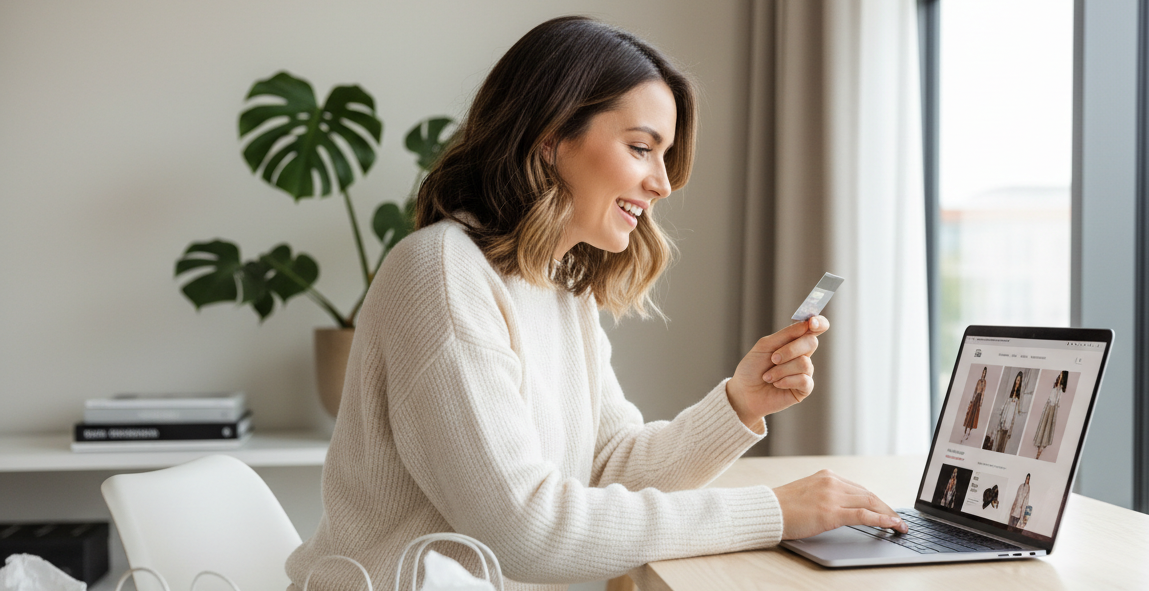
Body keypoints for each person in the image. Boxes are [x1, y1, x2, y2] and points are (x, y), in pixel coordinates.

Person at [284, 16, 906, 591]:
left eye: (663, 156)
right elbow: (525, 531)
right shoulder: (443, 273)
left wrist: (740, 403)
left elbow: (608, 466)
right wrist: (774, 512)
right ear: (550, 137)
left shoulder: (558, 287)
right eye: (641, 148)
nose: (663, 183)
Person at [1032, 370, 1067, 459]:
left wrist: (1054, 405)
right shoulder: (1055, 386)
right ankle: (1039, 447)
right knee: (1043, 426)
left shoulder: (1060, 389)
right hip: (1048, 407)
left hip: (1053, 409)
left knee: (1048, 427)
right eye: (1060, 375)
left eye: (1062, 376)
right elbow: (1050, 398)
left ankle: (1041, 450)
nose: (1060, 377)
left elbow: (1057, 401)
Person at [993, 372, 1023, 453]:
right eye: (1017, 380)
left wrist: (1018, 410)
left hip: (1010, 418)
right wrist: (1001, 411)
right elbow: (1005, 402)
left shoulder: (1019, 395)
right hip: (1005, 415)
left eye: (1019, 381)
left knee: (1005, 438)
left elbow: (1018, 409)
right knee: (999, 434)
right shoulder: (1011, 390)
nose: (1017, 382)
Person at [962, 367, 987, 440]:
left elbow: (983, 392)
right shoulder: (979, 381)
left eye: (984, 373)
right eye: (983, 372)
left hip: (979, 398)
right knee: (970, 413)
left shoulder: (984, 382)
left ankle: (969, 432)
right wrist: (972, 398)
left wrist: (981, 402)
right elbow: (975, 390)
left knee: (975, 414)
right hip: (975, 397)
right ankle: (965, 431)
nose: (983, 374)